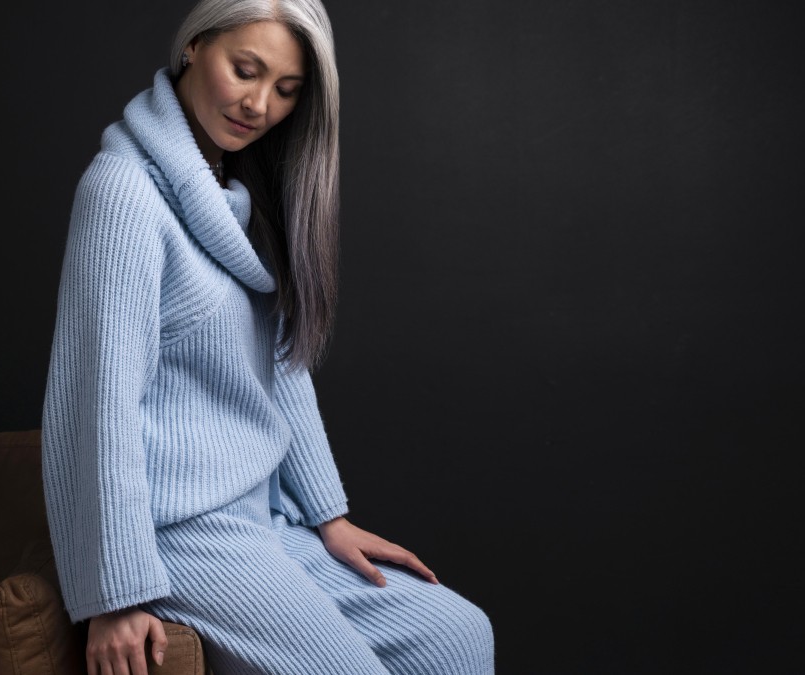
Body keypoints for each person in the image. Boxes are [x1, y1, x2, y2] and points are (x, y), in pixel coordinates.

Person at [41, 1, 495, 673]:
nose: (259, 105)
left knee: (457, 634)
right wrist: (115, 593)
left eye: (286, 89)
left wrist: (328, 516)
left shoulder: (238, 193)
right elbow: (96, 402)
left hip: (263, 519)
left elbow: (280, 368)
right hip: (181, 535)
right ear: (194, 46)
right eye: (245, 70)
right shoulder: (123, 195)